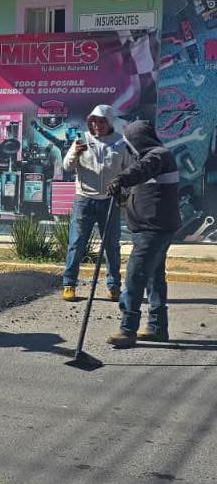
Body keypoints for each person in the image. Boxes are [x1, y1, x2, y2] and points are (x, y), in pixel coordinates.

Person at [105, 120, 181, 348]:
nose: (128, 149)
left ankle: (128, 329)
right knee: (153, 276)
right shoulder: (146, 160)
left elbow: (142, 170)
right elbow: (143, 186)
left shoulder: (159, 155)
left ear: (137, 140)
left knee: (135, 275)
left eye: (129, 143)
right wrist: (124, 196)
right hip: (147, 227)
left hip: (154, 228)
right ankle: (157, 327)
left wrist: (122, 178)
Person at [60, 104, 130, 302]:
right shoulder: (82, 139)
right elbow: (66, 166)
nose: (97, 125)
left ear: (109, 122)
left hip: (109, 201)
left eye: (101, 121)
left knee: (112, 246)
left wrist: (124, 192)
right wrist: (75, 153)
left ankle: (114, 286)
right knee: (76, 243)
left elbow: (129, 169)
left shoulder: (120, 143)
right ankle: (69, 284)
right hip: (84, 199)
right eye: (93, 121)